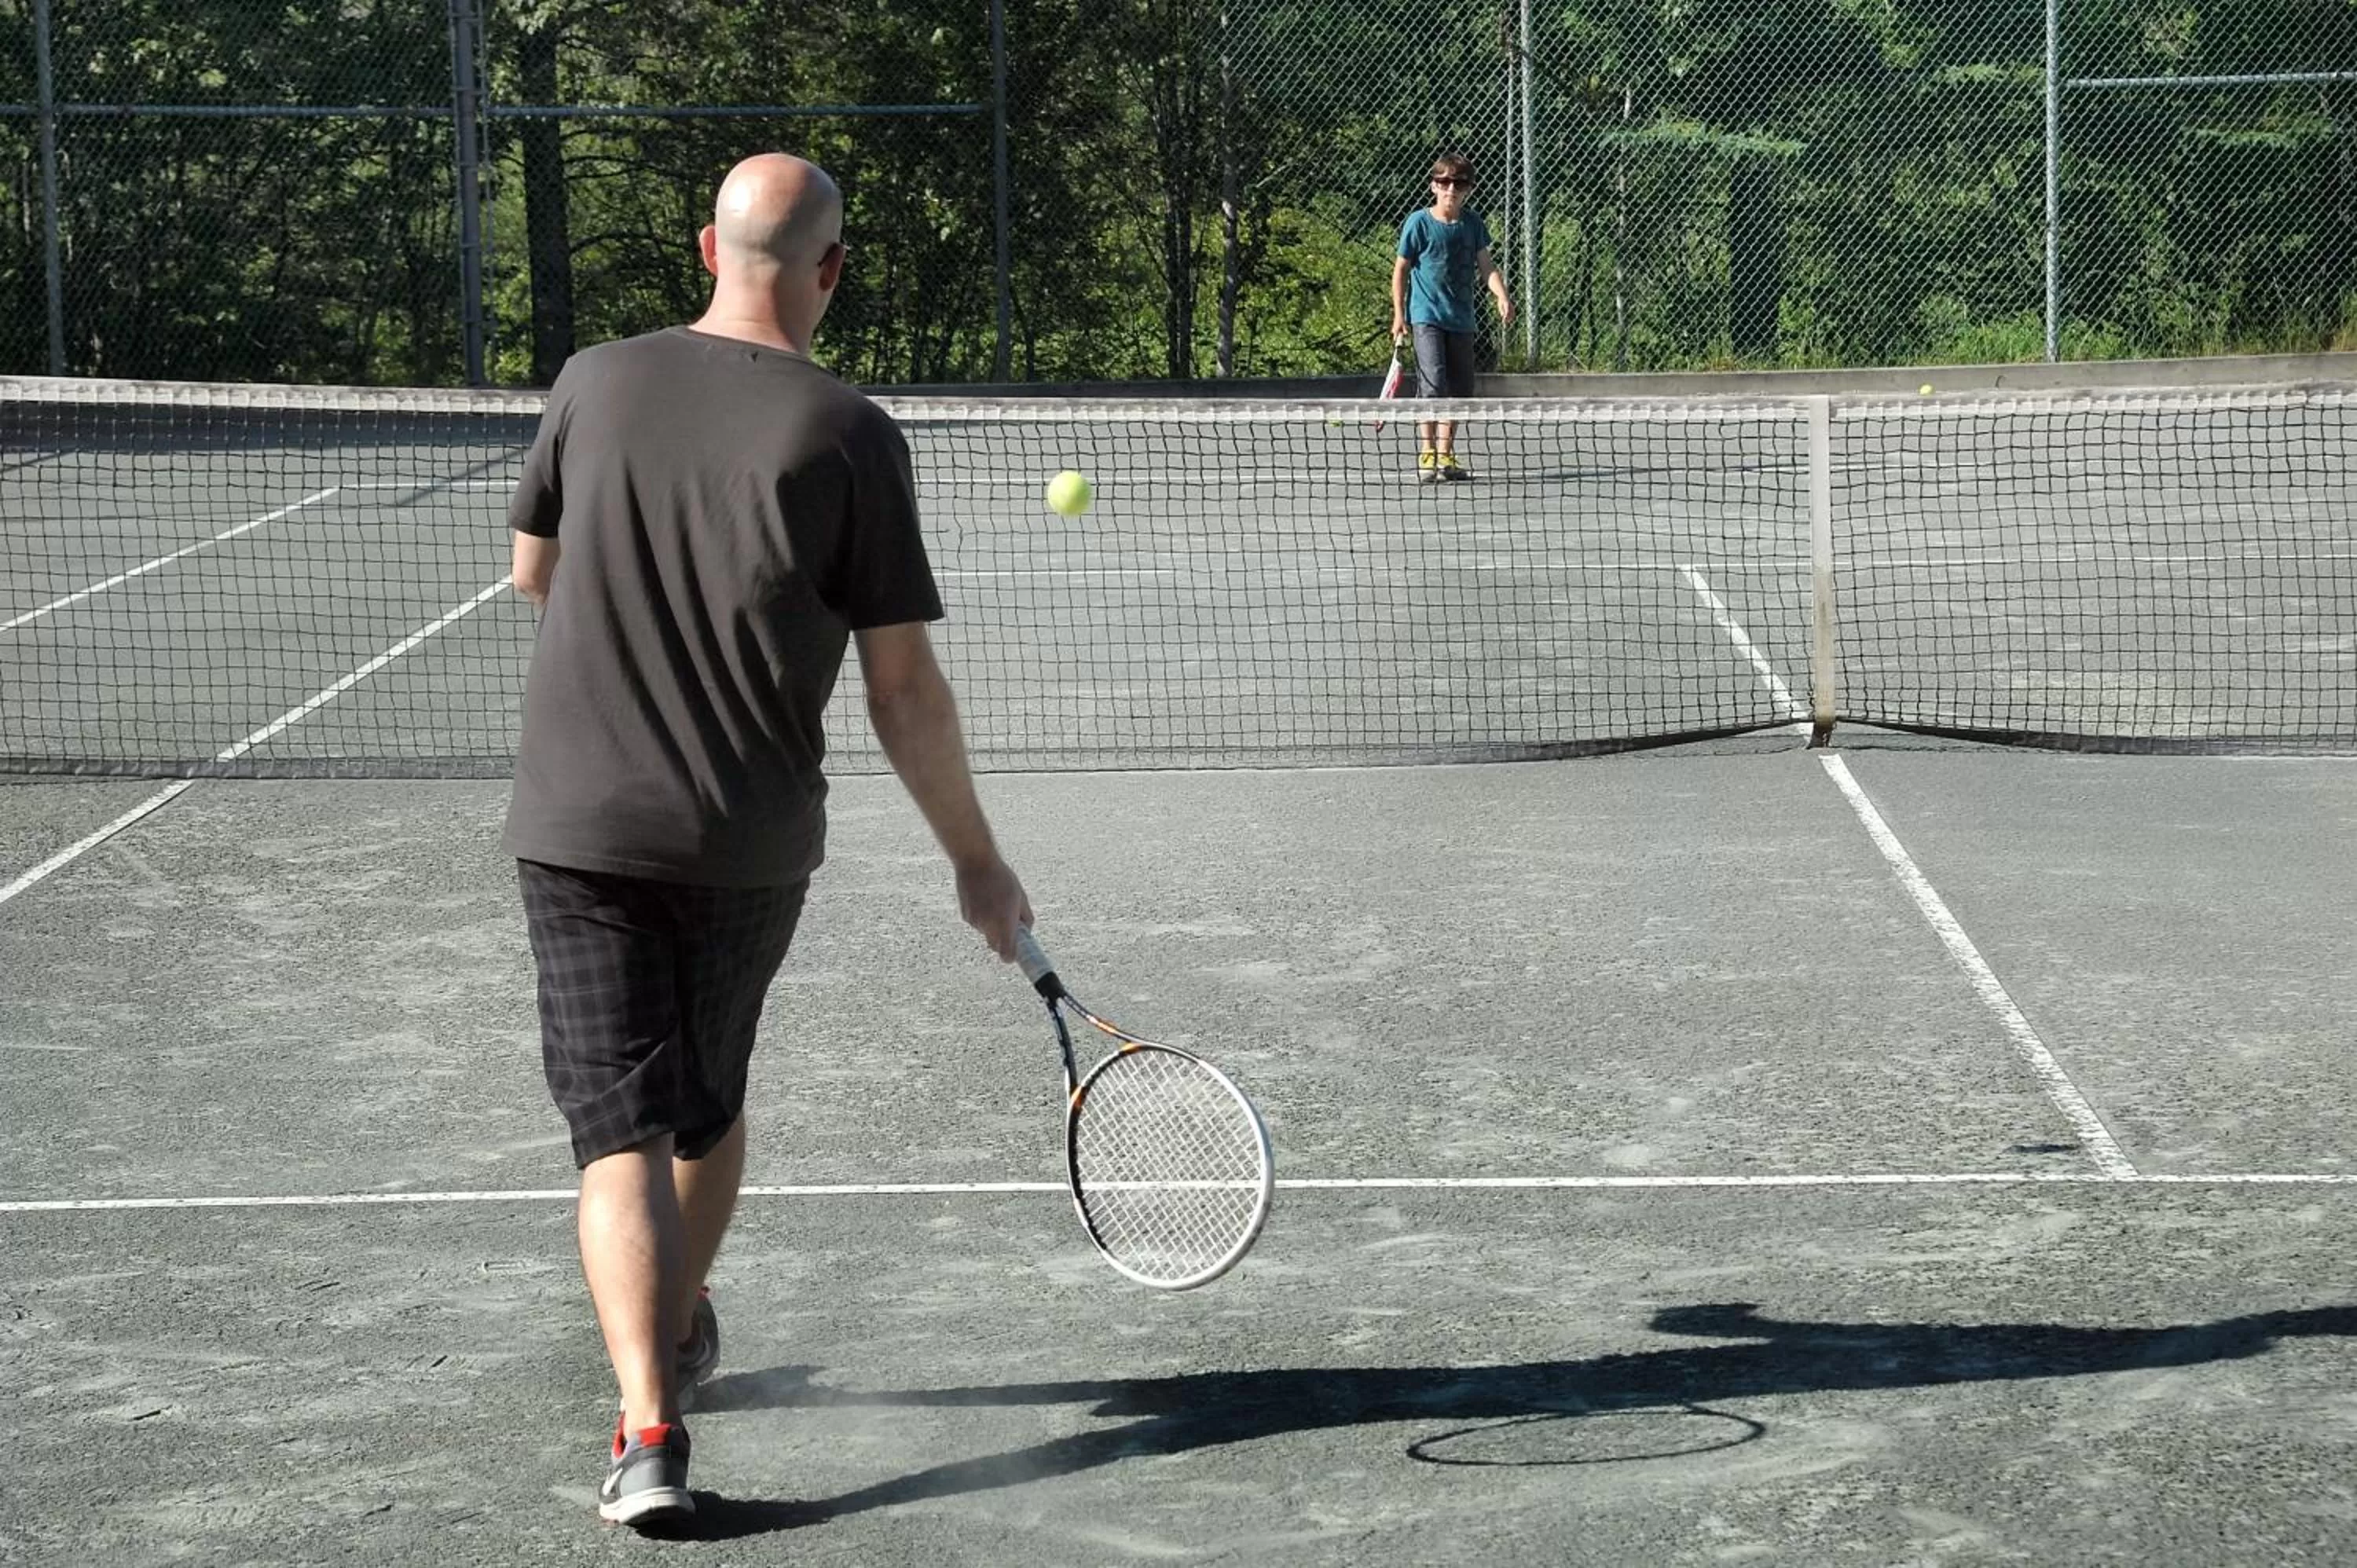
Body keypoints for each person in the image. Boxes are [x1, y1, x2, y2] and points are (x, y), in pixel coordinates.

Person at [503, 152, 1032, 1528]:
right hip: (751, 837)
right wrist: (975, 858)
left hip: (578, 826)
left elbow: (531, 576)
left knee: (617, 1133)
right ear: (833, 272)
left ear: (704, 247)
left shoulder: (590, 381)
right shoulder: (851, 433)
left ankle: (647, 1425)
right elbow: (903, 688)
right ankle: (671, 1336)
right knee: (707, 1103)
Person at [1389, 152, 1515, 483]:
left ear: (1468, 189)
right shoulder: (1418, 223)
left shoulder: (1473, 224)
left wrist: (1502, 295)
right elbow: (1401, 270)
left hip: (1462, 320)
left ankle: (1446, 455)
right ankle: (1427, 454)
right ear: (1434, 186)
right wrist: (1399, 315)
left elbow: (1486, 266)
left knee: (1460, 390)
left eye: (1458, 183)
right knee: (1433, 385)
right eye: (1444, 182)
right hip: (1425, 316)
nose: (1451, 189)